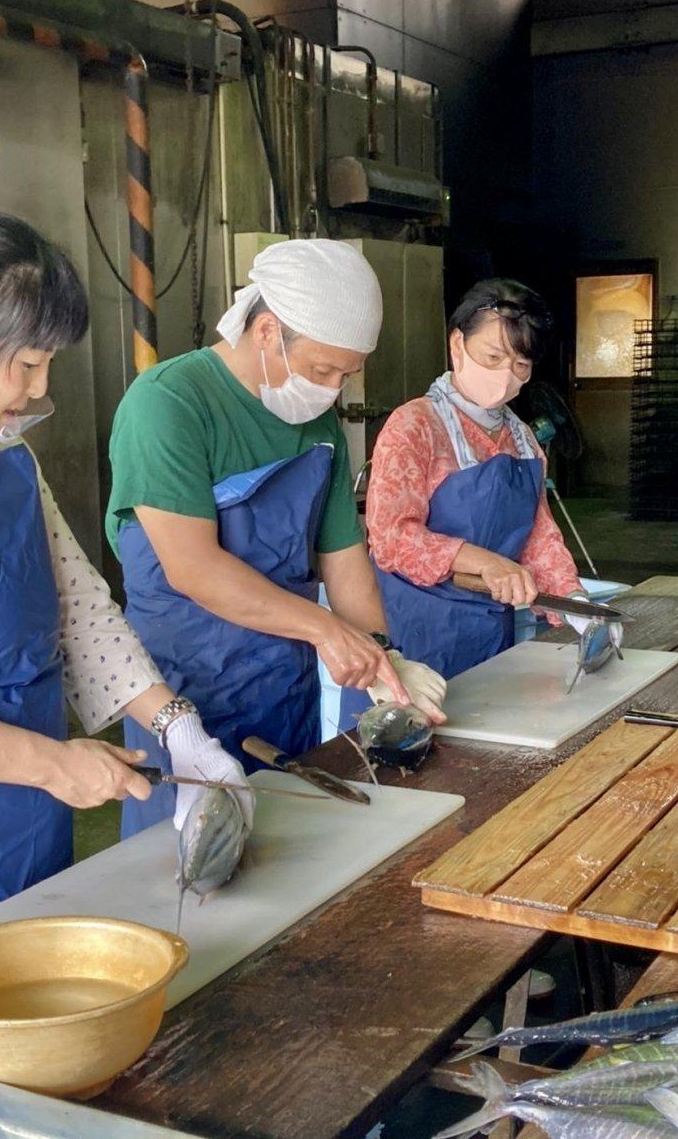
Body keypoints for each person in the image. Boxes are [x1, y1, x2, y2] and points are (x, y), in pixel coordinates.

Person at [0, 207, 249, 975]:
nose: (40, 389)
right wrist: (51, 764)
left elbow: (79, 610)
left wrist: (177, 729)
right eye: (27, 364)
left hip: (32, 816)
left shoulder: (5, 458)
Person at [107, 239, 447, 838]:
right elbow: (192, 568)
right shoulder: (167, 404)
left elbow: (343, 558)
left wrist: (380, 658)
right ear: (266, 331)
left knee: (289, 855)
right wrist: (324, 630)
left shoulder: (316, 425)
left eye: (348, 373)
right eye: (323, 370)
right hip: (184, 695)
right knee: (189, 870)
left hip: (281, 690)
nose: (334, 390)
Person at [366, 277, 590, 682]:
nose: (505, 375)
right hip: (416, 634)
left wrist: (575, 605)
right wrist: (486, 562)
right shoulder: (415, 426)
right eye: (492, 357)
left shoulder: (522, 439)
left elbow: (539, 538)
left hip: (490, 631)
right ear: (457, 345)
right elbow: (391, 538)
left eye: (520, 365)